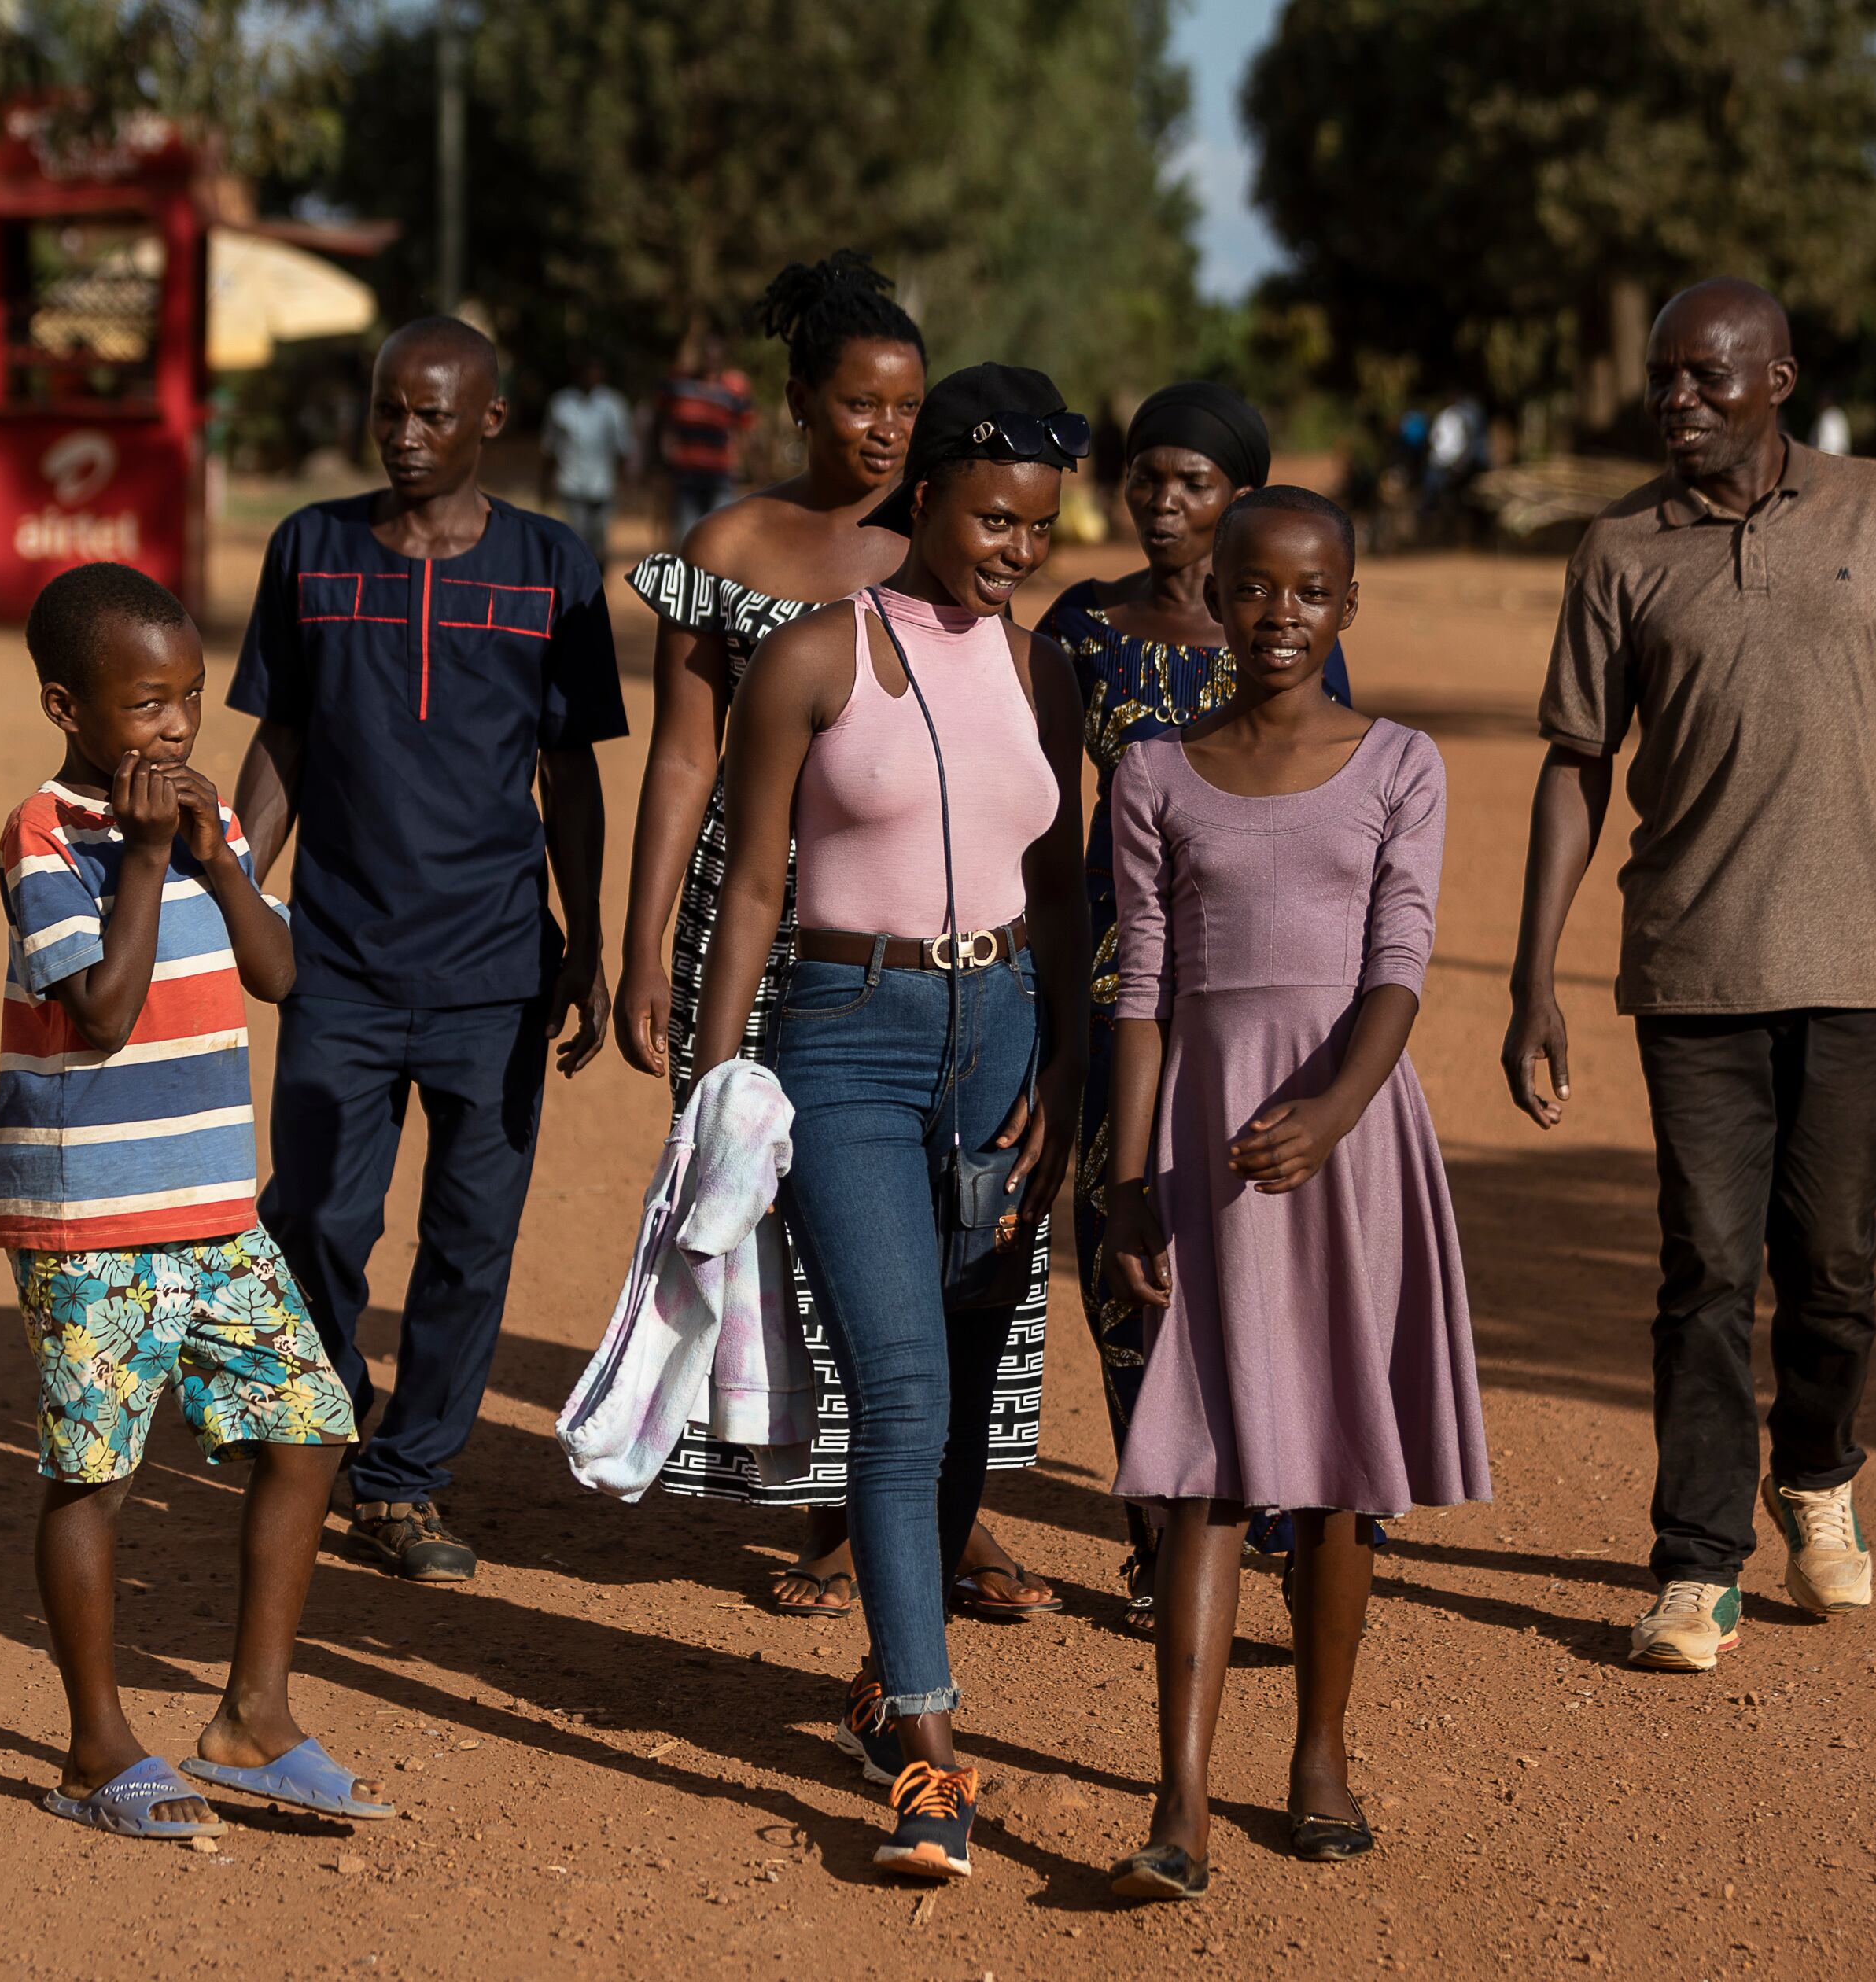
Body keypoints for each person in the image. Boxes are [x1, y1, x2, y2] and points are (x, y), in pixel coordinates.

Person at [1502, 278, 1876, 1673]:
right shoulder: (1621, 548)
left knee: (1837, 1263)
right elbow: (1578, 765)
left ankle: (1814, 1473)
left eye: (1706, 377)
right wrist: (1532, 977)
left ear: (1778, 382)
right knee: (1704, 1269)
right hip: (1689, 967)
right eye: (1662, 378)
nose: (1677, 399)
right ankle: (1695, 1566)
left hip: (1851, 960)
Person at [691, 363, 1090, 1881]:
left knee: (971, 1378)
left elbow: (1061, 886)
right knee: (904, 1390)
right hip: (843, 1048)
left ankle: (883, 1669)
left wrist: (1063, 1065)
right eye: (992, 517)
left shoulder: (1044, 672)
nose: (1013, 548)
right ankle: (928, 1748)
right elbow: (746, 890)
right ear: (922, 494)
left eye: (1038, 527)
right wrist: (719, 1091)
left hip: (1000, 1043)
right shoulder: (808, 657)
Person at [618, 252, 1058, 1625]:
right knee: (791, 1220)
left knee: (954, 1239)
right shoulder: (732, 550)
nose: (883, 427)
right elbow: (683, 766)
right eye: (860, 403)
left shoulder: (951, 554)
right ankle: (828, 1505)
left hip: (940, 932)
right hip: (765, 931)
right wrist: (642, 948)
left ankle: (945, 1512)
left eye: (906, 405)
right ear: (800, 403)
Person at [1096, 488, 1490, 1898]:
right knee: (1202, 1458)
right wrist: (1134, 1172)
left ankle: (1320, 1754)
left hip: (1350, 1136)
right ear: (1217, 597)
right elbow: (1142, 987)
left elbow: (1400, 962)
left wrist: (1332, 1112)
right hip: (1206, 1139)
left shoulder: (1400, 762)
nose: (1278, 617)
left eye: (1309, 594)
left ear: (1346, 608)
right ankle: (1181, 1800)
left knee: (1331, 1465)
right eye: (1253, 590)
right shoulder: (1155, 772)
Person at [230, 317, 628, 1583]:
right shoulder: (311, 548)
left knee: (469, 1242)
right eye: (389, 409)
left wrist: (592, 943)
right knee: (313, 1221)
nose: (405, 434)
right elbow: (283, 741)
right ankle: (323, 1423)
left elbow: (570, 774)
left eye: (434, 415)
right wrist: (237, 884)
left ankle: (405, 1484)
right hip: (338, 960)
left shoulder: (554, 569)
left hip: (497, 970)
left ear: (489, 424)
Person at [0, 561, 385, 1843]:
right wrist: (151, 859)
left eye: (192, 700)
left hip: (217, 1210)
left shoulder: (206, 822)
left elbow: (280, 971)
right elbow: (99, 1013)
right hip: (93, 1220)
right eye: (146, 705)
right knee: (93, 1473)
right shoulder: (44, 834)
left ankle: (253, 1716)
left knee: (311, 1426)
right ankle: (96, 1748)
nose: (173, 730)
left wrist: (218, 861)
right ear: (68, 705)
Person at [1034, 382, 1351, 1630]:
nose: (1165, 502)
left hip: (1256, 987)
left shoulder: (1277, 631)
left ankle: (1267, 1510)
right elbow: (1046, 809)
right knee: (1124, 1246)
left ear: (1246, 502)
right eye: (1146, 478)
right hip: (1117, 981)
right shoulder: (1081, 625)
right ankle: (1160, 1527)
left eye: (1196, 483)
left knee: (1251, 1238)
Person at [657, 330, 758, 540]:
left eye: (716, 353)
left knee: (719, 538)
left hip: (720, 476)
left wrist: (749, 467)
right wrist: (662, 459)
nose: (711, 358)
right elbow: (663, 425)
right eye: (707, 353)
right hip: (685, 475)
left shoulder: (735, 389)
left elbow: (745, 430)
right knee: (686, 537)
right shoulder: (679, 385)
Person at [543, 357, 635, 568]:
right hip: (572, 486)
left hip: (603, 487)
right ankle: (578, 590)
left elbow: (623, 449)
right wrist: (545, 485)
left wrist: (623, 482)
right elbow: (550, 449)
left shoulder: (613, 406)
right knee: (576, 543)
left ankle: (597, 586)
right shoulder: (561, 405)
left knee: (600, 545)